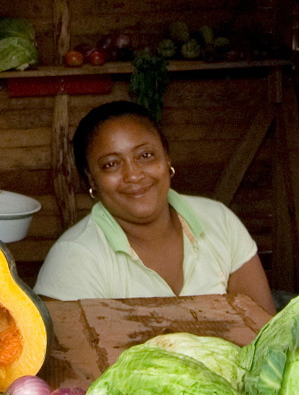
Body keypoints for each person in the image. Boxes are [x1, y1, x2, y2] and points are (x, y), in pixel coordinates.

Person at [34, 101, 277, 314]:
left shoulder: (218, 220)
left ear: (166, 158)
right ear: (91, 180)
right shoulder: (74, 258)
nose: (134, 175)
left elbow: (265, 333)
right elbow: (72, 363)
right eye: (110, 164)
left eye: (146, 155)